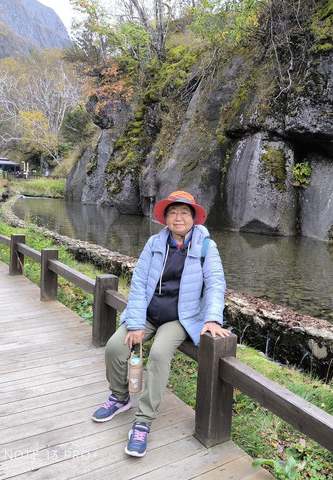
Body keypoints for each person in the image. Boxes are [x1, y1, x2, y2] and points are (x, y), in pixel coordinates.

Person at [92, 190, 231, 458]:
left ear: (194, 218)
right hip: (148, 313)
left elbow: (216, 283)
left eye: (184, 213)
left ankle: (143, 421)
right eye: (173, 212)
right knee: (115, 348)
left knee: (158, 354)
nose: (178, 217)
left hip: (180, 317)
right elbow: (138, 283)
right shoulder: (155, 243)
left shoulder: (206, 247)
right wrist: (135, 323)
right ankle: (119, 397)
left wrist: (213, 318)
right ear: (165, 218)